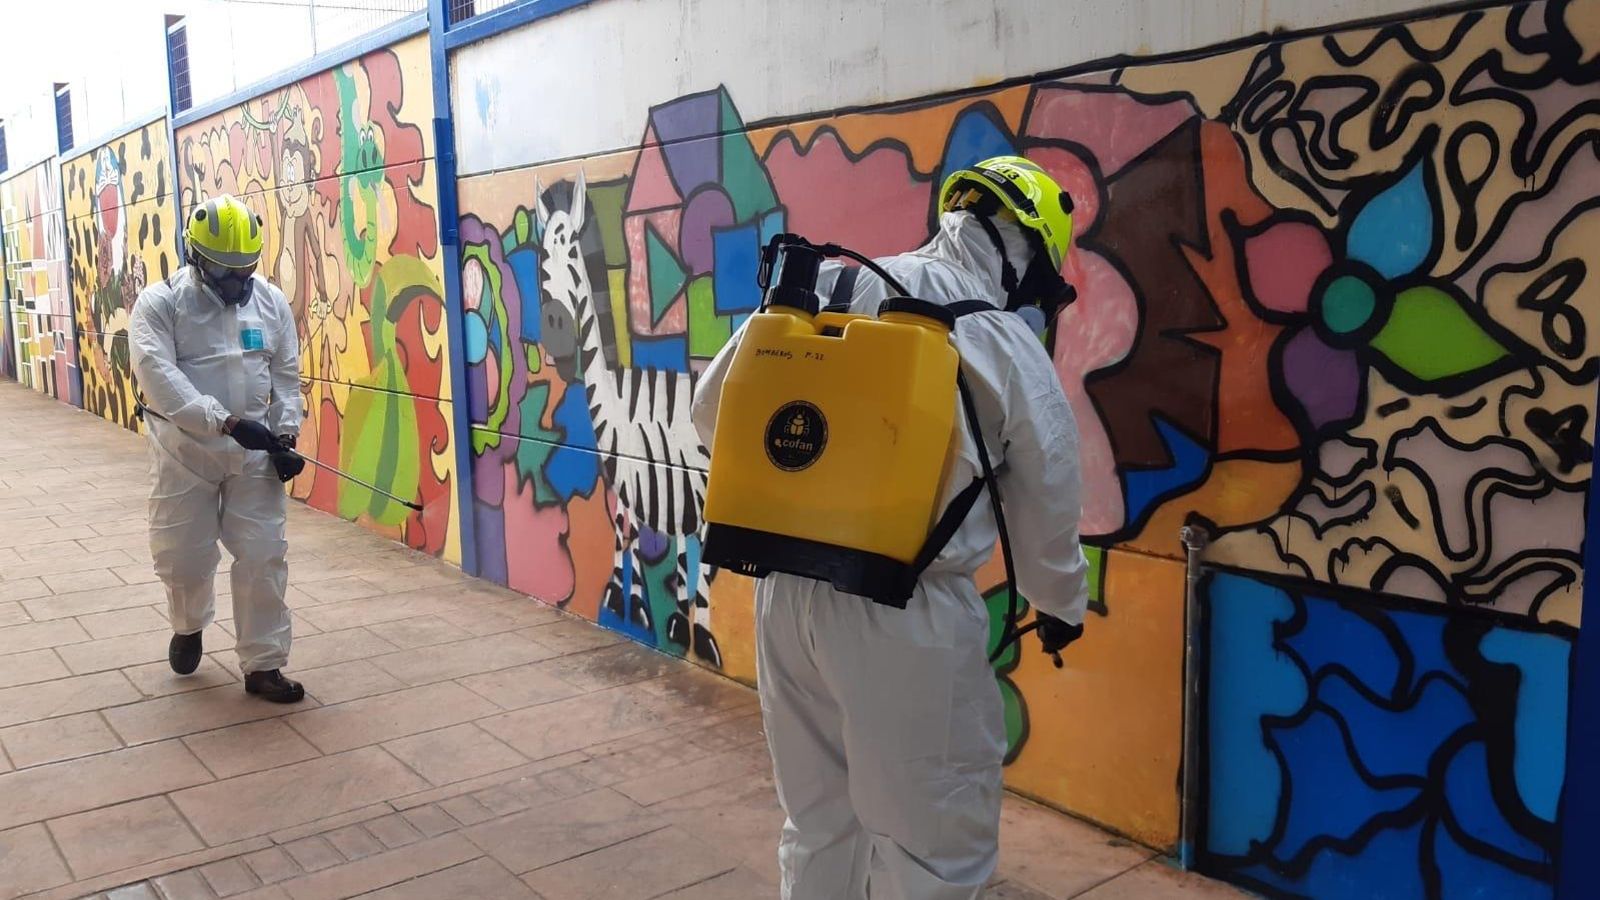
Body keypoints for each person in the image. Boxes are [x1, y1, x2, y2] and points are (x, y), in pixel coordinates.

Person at [691, 156, 1091, 900]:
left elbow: (712, 411)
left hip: (787, 599)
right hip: (909, 616)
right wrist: (1060, 605)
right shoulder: (998, 336)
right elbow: (1051, 494)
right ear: (1027, 254)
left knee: (818, 830)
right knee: (934, 852)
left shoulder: (835, 285)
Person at [130, 194, 307, 704]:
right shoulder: (160, 304)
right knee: (182, 558)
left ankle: (264, 664)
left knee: (264, 556)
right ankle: (188, 625)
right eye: (223, 272)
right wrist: (225, 422)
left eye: (244, 271)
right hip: (183, 453)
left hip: (254, 459)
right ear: (195, 257)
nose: (236, 283)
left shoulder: (269, 301)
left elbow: (286, 376)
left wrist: (284, 436)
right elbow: (159, 377)